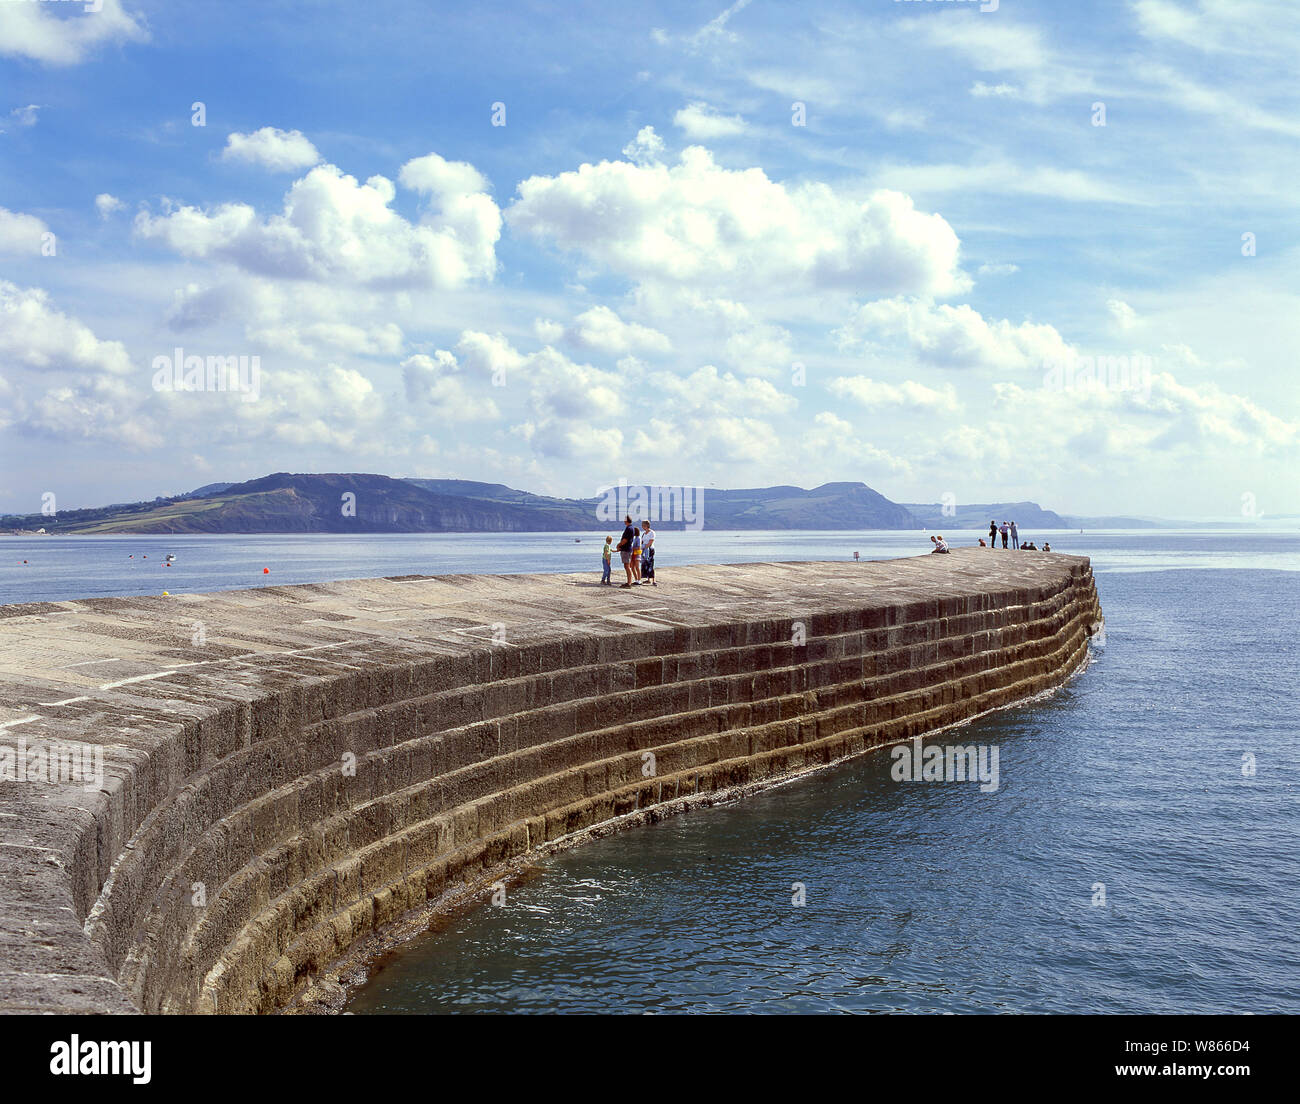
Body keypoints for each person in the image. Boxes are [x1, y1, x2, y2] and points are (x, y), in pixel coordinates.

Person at [616, 515, 636, 587]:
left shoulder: (629, 529)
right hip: (627, 549)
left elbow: (625, 540)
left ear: (627, 520)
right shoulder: (631, 528)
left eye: (624, 519)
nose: (624, 521)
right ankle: (629, 582)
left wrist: (619, 545)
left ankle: (629, 583)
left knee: (627, 566)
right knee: (626, 566)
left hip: (626, 549)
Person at [640, 520, 657, 586]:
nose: (642, 526)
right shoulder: (644, 533)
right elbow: (642, 542)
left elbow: (651, 542)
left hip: (650, 549)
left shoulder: (652, 532)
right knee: (644, 564)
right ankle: (648, 579)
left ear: (647, 525)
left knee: (650, 564)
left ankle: (653, 580)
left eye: (643, 525)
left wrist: (645, 548)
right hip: (644, 549)